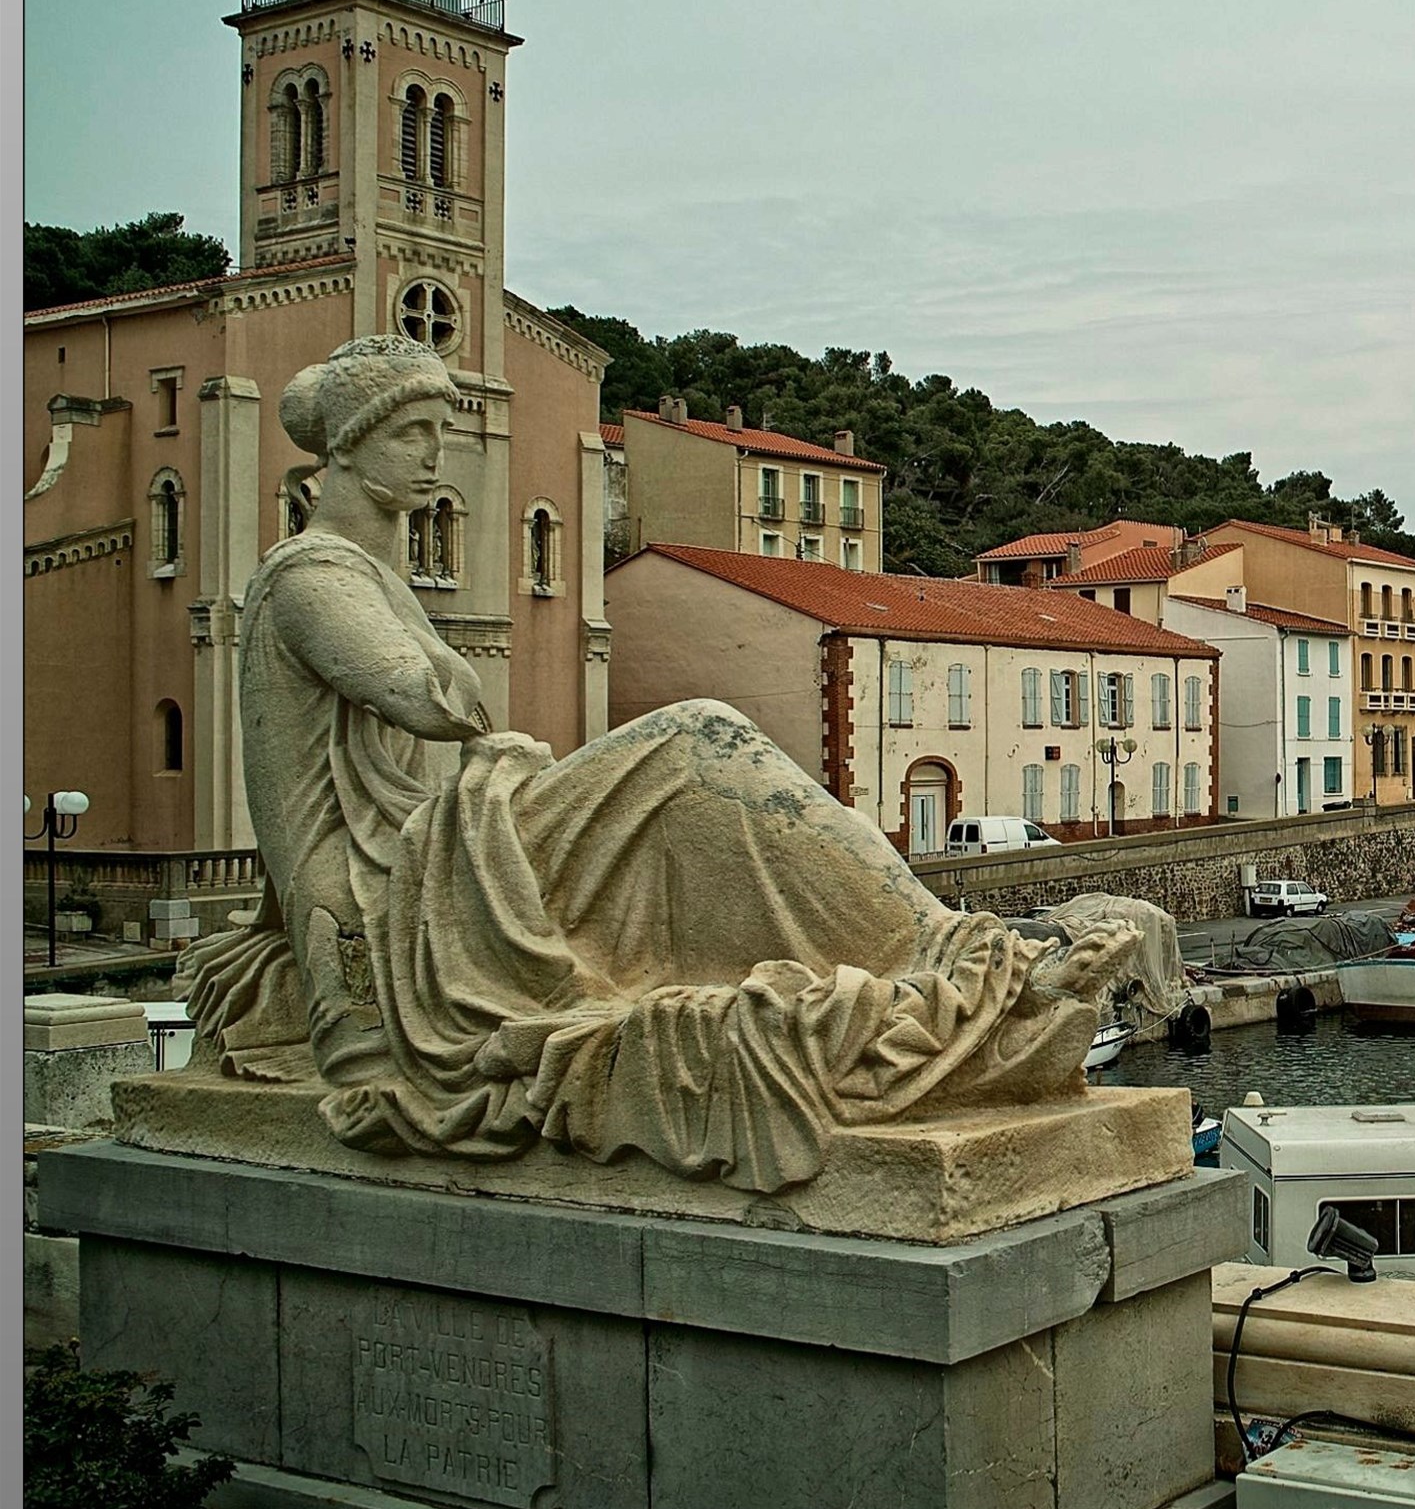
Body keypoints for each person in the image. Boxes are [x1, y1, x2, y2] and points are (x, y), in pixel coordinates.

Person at [182, 336, 1135, 1193]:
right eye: (413, 433)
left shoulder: (364, 574)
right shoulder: (311, 576)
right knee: (692, 746)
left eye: (442, 429)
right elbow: (438, 701)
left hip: (447, 853)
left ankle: (956, 956)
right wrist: (449, 673)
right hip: (397, 890)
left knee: (695, 774)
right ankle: (958, 961)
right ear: (348, 445)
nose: (437, 454)